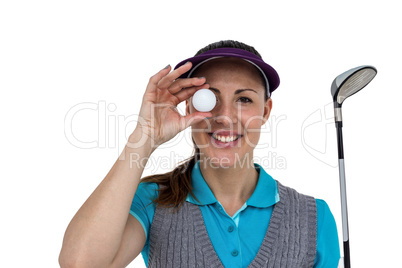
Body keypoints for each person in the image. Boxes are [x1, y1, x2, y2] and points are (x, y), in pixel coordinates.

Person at [59, 40, 340, 268]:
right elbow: (80, 264)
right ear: (189, 108)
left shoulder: (314, 217)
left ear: (265, 111)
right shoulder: (152, 201)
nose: (225, 117)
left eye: (243, 99)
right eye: (210, 98)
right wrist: (144, 137)